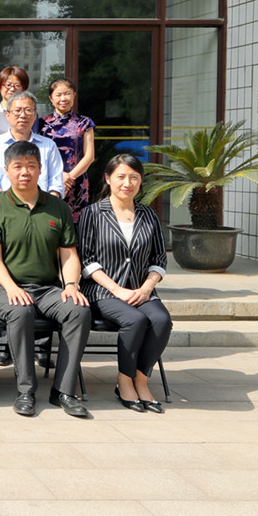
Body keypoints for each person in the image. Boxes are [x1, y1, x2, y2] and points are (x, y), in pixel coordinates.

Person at [0, 140, 91, 418]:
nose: (24, 172)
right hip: (5, 287)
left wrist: (71, 285)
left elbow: (68, 254)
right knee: (20, 311)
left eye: (31, 166)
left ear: (41, 169)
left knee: (78, 310)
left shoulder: (57, 207)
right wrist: (11, 287)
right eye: (17, 166)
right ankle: (26, 391)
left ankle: (64, 391)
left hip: (48, 289)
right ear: (6, 170)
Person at [78, 154, 172, 413]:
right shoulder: (92, 213)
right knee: (135, 320)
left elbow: (159, 259)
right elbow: (87, 260)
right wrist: (117, 289)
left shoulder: (149, 215)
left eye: (134, 177)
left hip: (141, 289)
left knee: (161, 320)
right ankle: (124, 381)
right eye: (120, 176)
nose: (127, 183)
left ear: (141, 181)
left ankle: (140, 380)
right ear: (108, 179)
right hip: (103, 290)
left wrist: (147, 287)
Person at [0, 91, 66, 199]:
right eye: (17, 111)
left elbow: (56, 183)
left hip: (43, 206)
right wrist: (6, 204)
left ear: (35, 115)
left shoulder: (49, 146)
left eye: (28, 110)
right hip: (4, 206)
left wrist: (46, 205)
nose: (23, 115)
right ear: (7, 115)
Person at [39, 78, 97, 220]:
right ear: (51, 98)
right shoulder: (41, 124)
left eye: (67, 93)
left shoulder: (84, 122)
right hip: (49, 180)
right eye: (58, 95)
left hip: (77, 181)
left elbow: (89, 156)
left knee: (78, 222)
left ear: (74, 95)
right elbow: (39, 156)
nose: (63, 98)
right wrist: (60, 177)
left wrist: (69, 178)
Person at [0, 66, 30, 137]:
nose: (12, 89)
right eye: (8, 85)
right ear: (0, 87)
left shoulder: (30, 113)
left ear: (24, 88)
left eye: (17, 85)